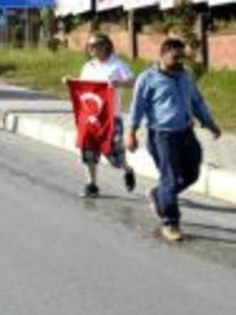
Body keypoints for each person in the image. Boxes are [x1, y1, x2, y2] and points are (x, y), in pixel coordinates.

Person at [127, 38, 222, 243]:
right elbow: (137, 107)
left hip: (186, 133)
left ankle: (158, 194)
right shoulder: (147, 78)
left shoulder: (186, 75)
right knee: (169, 178)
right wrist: (131, 132)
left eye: (182, 56)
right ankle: (170, 222)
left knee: (191, 173)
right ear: (162, 54)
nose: (180, 61)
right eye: (175, 57)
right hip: (162, 136)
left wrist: (210, 123)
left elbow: (196, 101)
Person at [64, 34, 137, 198]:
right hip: (90, 117)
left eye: (95, 45)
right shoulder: (88, 66)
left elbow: (134, 82)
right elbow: (84, 88)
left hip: (111, 116)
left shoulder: (117, 65)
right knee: (88, 149)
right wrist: (70, 81)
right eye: (89, 46)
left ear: (106, 46)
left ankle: (127, 169)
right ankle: (92, 184)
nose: (91, 49)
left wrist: (120, 83)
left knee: (113, 154)